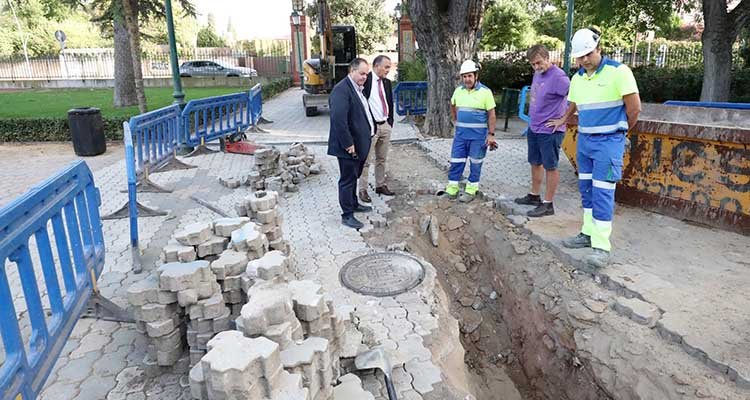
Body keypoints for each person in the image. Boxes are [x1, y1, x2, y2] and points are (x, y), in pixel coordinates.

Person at [549, 28, 641, 268]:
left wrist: (620, 134)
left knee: (602, 191)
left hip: (608, 142)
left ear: (598, 49)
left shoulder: (619, 72)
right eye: (579, 57)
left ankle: (601, 246)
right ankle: (587, 234)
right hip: (586, 142)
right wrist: (564, 119)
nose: (584, 60)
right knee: (587, 190)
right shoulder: (578, 78)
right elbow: (575, 102)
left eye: (588, 54)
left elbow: (634, 109)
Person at [514, 44, 570, 217]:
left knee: (550, 166)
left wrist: (563, 119)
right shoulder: (538, 74)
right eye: (533, 65)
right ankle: (534, 195)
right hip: (535, 126)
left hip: (550, 130)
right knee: (535, 162)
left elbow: (576, 97)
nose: (536, 67)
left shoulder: (559, 77)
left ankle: (548, 204)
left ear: (548, 58)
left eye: (539, 63)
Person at [327, 58, 375, 230]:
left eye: (367, 74)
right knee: (347, 180)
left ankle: (354, 204)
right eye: (362, 73)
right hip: (348, 146)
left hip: (359, 143)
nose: (365, 77)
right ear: (352, 71)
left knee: (354, 176)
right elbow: (338, 120)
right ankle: (347, 215)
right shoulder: (341, 90)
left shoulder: (356, 88)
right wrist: (348, 144)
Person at [444, 60, 497, 203]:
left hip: (478, 138)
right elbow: (453, 105)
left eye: (469, 76)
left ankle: (471, 190)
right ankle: (452, 189)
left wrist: (491, 135)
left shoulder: (485, 92)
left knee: (476, 163)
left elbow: (491, 114)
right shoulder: (458, 91)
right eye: (464, 76)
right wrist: (455, 120)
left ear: (476, 76)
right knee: (456, 161)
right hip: (461, 136)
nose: (467, 79)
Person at [358, 55, 396, 203]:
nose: (388, 70)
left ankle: (380, 185)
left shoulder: (386, 82)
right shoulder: (365, 80)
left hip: (385, 125)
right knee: (366, 160)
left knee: (382, 158)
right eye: (386, 67)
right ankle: (362, 189)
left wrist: (390, 122)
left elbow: (389, 102)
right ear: (376, 66)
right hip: (371, 128)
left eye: (389, 67)